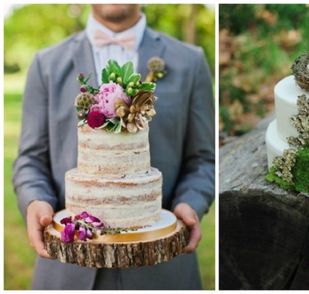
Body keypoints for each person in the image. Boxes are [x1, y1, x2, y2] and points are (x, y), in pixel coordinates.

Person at [12, 4, 214, 290]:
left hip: (161, 269)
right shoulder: (46, 63)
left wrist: (190, 202)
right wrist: (35, 201)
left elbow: (204, 159)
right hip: (68, 268)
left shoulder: (190, 61)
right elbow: (30, 159)